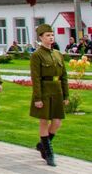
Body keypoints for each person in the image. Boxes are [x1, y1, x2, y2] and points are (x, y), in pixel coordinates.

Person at [30, 24, 69, 167]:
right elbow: (36, 78)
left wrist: (66, 95)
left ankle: (43, 145)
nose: (51, 37)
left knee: (57, 122)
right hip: (45, 90)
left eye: (52, 35)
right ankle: (49, 153)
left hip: (57, 90)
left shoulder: (58, 54)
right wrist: (38, 98)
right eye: (47, 35)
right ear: (41, 38)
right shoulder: (37, 55)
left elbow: (63, 76)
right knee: (44, 121)